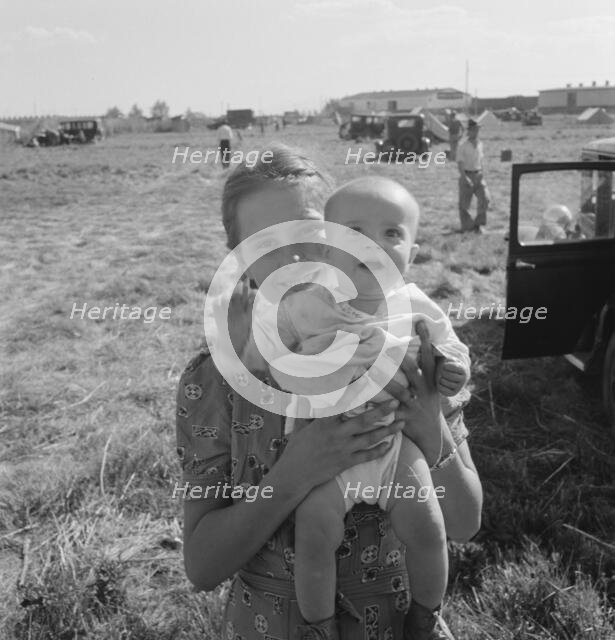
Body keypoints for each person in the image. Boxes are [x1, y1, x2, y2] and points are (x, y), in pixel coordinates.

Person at [176, 144, 483, 640]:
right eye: (265, 242)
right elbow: (203, 565)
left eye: (312, 234)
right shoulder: (215, 380)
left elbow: (465, 521)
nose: (294, 257)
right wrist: (297, 473)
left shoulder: (408, 346)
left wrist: (430, 426)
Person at [251, 176, 473, 639]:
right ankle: (320, 626)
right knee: (314, 533)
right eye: (355, 231)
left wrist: (453, 370)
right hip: (326, 448)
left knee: (428, 528)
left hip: (397, 446)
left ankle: (425, 617)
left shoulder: (416, 306)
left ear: (413, 251)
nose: (373, 244)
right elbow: (265, 353)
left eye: (393, 233)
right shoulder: (308, 304)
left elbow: (453, 349)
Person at [456, 119, 490, 233]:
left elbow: (481, 160)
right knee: (464, 204)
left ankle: (479, 225)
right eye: (474, 130)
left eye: (477, 130)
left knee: (485, 199)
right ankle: (467, 227)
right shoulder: (462, 145)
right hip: (467, 174)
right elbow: (460, 163)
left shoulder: (480, 144)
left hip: (478, 174)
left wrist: (482, 173)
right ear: (469, 131)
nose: (476, 132)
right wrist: (464, 177)